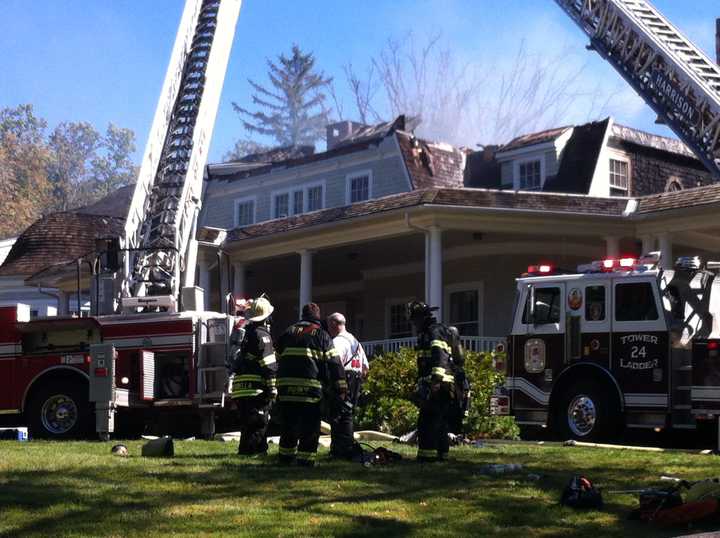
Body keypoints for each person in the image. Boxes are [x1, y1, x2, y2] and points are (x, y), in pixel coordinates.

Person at [276, 303, 346, 467]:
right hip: (310, 391)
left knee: (289, 425)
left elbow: (277, 357)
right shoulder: (322, 335)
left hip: (286, 390)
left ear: (303, 315)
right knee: (310, 426)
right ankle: (305, 461)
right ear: (317, 317)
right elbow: (334, 363)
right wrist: (341, 387)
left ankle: (285, 458)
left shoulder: (288, 332)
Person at [407, 300, 457, 462]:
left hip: (439, 383)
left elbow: (440, 356)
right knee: (439, 421)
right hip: (440, 383)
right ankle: (442, 455)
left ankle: (426, 458)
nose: (414, 324)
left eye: (415, 320)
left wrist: (435, 381)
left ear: (421, 318)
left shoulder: (434, 332)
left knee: (427, 422)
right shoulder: (428, 332)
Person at [228, 296, 277, 455]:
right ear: (266, 317)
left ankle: (245, 452)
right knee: (258, 423)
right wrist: (272, 388)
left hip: (240, 387)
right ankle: (255, 452)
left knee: (247, 424)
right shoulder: (263, 336)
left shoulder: (247, 333)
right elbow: (269, 365)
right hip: (255, 389)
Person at [326, 312, 369, 459]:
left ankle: (339, 450)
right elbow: (365, 368)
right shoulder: (355, 341)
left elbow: (335, 365)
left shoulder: (337, 342)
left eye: (328, 325)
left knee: (338, 416)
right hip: (356, 380)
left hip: (343, 380)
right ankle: (347, 447)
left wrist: (338, 385)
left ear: (333, 324)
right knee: (348, 415)